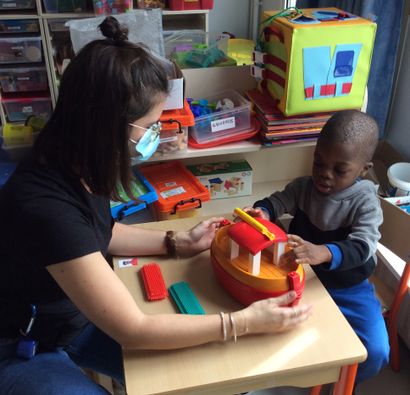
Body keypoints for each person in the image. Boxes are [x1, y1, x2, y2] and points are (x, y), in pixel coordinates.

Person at [0, 17, 313, 395]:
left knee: (206, 378)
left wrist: (176, 242)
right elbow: (134, 329)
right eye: (150, 125)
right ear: (105, 126)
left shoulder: (75, 161)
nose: (157, 134)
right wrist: (241, 323)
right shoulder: (45, 205)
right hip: (24, 344)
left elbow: (101, 230)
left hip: (75, 317)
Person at [245, 110, 390, 384]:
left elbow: (362, 247)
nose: (324, 175)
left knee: (376, 351)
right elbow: (278, 201)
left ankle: (338, 382)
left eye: (339, 169)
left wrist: (322, 252)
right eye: (318, 163)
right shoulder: (304, 186)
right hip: (298, 278)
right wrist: (263, 211)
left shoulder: (366, 202)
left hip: (347, 287)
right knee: (261, 335)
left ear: (364, 169)